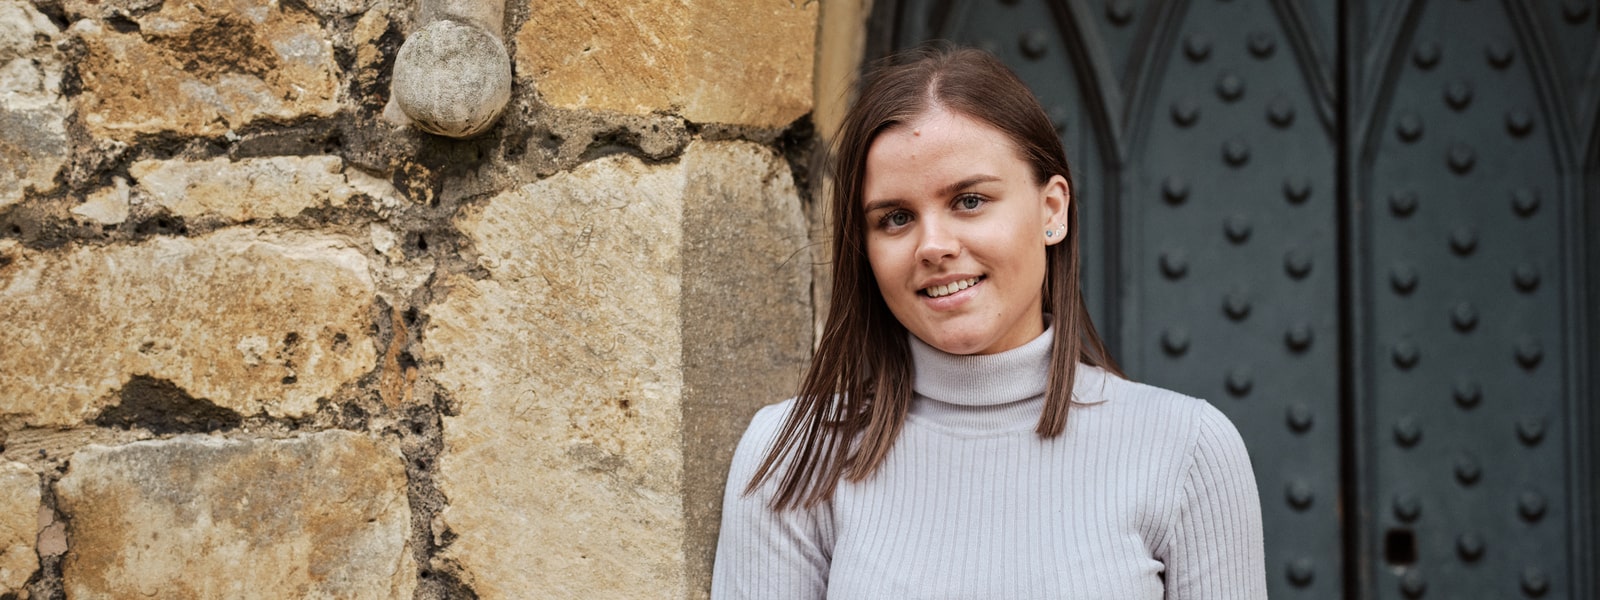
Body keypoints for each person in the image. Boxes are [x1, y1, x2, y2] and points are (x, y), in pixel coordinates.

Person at [712, 46, 1266, 598]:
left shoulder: (1186, 450)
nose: (933, 246)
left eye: (970, 201)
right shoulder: (796, 453)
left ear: (1052, 211)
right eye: (896, 218)